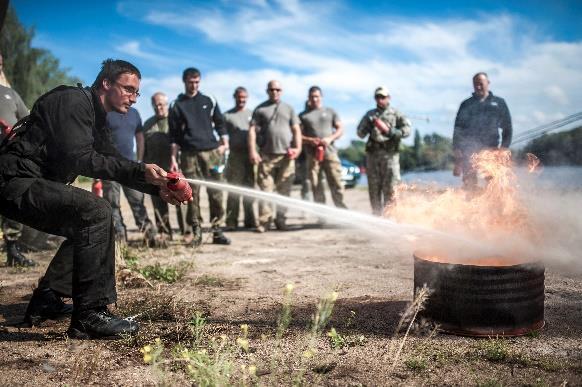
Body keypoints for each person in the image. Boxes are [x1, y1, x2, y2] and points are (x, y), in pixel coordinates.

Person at [0, 59, 186, 339]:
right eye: (128, 89)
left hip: (32, 182)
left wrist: (158, 188)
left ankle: (48, 298)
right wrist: (141, 171)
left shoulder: (97, 119)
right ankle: (90, 314)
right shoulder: (73, 102)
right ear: (106, 83)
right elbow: (81, 158)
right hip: (14, 180)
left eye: (137, 93)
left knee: (86, 224)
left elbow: (114, 161)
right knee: (96, 211)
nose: (134, 99)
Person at [168, 67, 231, 246]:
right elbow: (174, 136)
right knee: (191, 194)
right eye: (190, 82)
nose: (194, 85)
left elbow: (220, 124)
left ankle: (217, 230)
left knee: (216, 192)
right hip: (189, 154)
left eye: (197, 82)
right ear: (185, 82)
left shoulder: (209, 99)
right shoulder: (176, 104)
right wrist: (173, 158)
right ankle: (196, 232)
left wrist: (224, 143)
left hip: (211, 153)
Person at [248, 80, 302, 232]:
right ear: (267, 91)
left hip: (286, 157)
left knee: (284, 191)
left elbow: (296, 130)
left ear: (281, 91)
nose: (275, 92)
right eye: (272, 89)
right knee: (266, 191)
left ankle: (281, 220)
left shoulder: (289, 108)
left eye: (278, 89)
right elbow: (252, 131)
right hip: (266, 156)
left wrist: (297, 148)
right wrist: (253, 151)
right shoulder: (260, 109)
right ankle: (264, 222)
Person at [99, 106, 156, 245]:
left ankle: (149, 235)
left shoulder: (134, 113)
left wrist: (140, 161)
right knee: (112, 203)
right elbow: (97, 139)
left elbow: (140, 137)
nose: (131, 97)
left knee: (137, 201)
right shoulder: (106, 112)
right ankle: (119, 238)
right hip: (110, 167)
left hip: (131, 167)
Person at [357, 86, 411, 215]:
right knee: (374, 189)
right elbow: (360, 133)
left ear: (388, 98)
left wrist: (394, 132)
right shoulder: (370, 115)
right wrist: (368, 126)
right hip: (373, 157)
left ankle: (391, 217)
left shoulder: (396, 113)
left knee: (392, 188)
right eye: (377, 97)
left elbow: (407, 130)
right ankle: (376, 216)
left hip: (390, 157)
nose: (380, 99)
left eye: (383, 97)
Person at [452, 72, 512, 188]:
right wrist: (456, 149)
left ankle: (496, 204)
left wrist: (504, 148)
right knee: (469, 183)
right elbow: (458, 128)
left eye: (480, 83)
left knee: (494, 182)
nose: (478, 87)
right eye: (475, 84)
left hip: (492, 150)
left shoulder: (499, 103)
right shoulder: (466, 104)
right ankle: (470, 202)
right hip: (469, 151)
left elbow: (507, 127)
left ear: (488, 83)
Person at [0, 79, 36, 266]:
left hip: (8, 157)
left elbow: (27, 119)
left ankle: (13, 250)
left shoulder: (10, 93)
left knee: (12, 199)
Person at [299, 86, 347, 209]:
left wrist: (330, 138)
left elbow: (340, 129)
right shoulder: (303, 116)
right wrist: (310, 140)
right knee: (316, 185)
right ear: (308, 98)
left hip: (330, 154)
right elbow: (297, 135)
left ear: (321, 97)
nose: (315, 99)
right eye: (312, 96)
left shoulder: (330, 111)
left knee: (336, 183)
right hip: (312, 156)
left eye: (317, 96)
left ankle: (343, 212)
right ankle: (322, 215)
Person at [140, 92, 176, 241]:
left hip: (174, 169)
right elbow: (143, 147)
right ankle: (164, 232)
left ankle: (187, 231)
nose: (158, 107)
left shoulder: (175, 121)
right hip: (156, 171)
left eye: (161, 104)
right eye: (155, 105)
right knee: (158, 201)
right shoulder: (147, 124)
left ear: (167, 105)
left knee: (182, 198)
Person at [223, 87, 256, 230]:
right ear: (234, 97)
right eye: (239, 97)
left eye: (244, 97)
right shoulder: (227, 116)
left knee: (250, 189)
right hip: (235, 157)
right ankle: (231, 222)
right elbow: (222, 135)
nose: (241, 100)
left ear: (247, 98)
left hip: (250, 156)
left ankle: (250, 221)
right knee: (234, 189)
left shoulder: (252, 115)